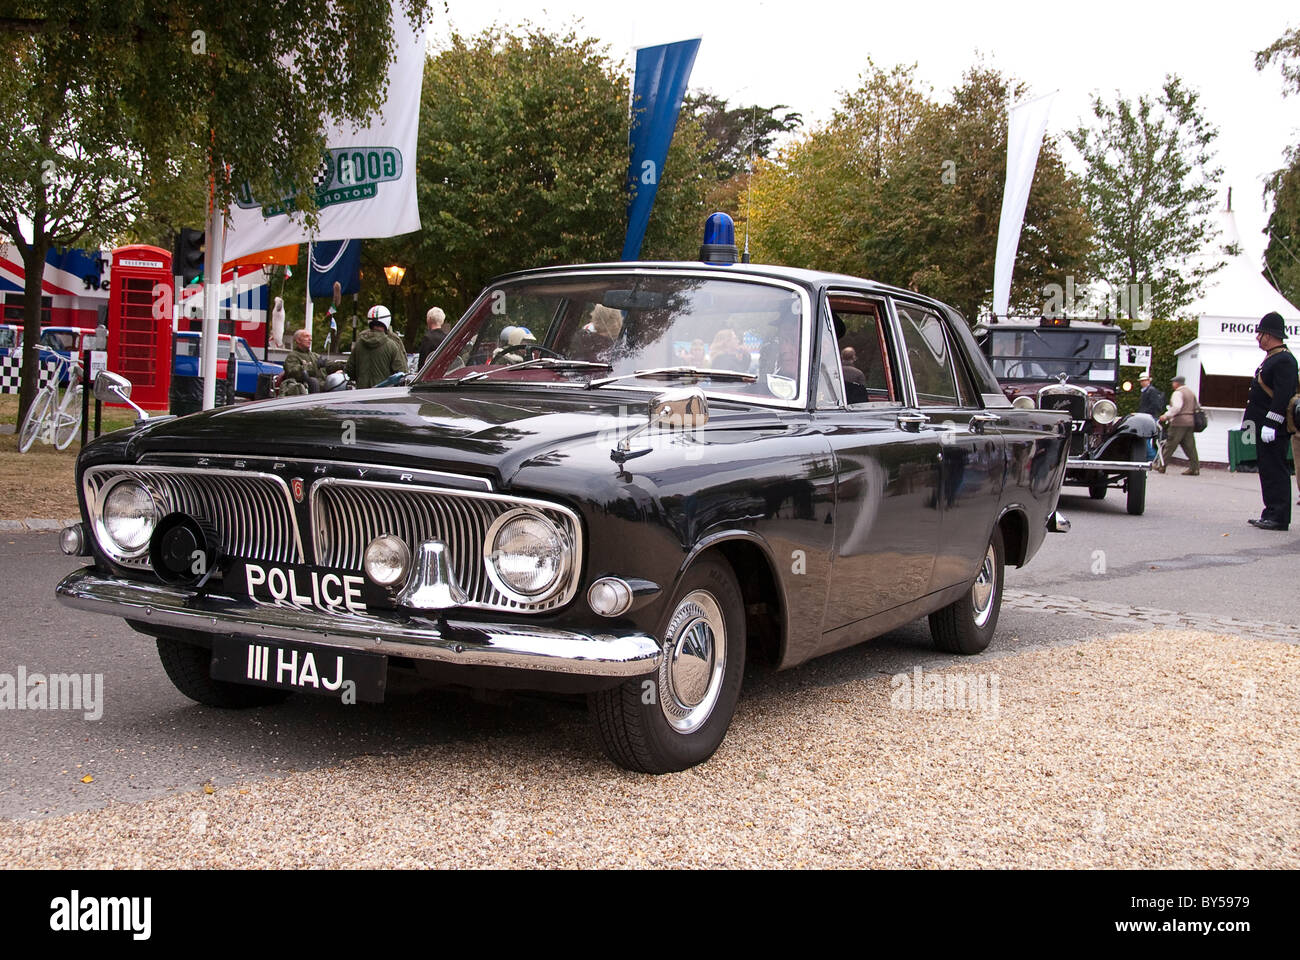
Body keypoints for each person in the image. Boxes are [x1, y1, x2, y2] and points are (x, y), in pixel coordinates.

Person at [1243, 311, 1298, 530]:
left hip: (1272, 427)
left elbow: (1283, 395)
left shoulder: (1284, 360)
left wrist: (1272, 423)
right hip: (1263, 424)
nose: (1258, 337)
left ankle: (1279, 516)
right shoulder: (1273, 358)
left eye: (1260, 333)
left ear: (1269, 335)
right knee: (1267, 469)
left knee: (1276, 469)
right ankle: (1271, 511)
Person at [346, 305, 408, 388]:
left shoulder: (359, 344)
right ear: (387, 320)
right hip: (382, 396)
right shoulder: (391, 345)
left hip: (361, 394)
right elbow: (402, 373)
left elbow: (349, 370)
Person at [1156, 375, 1200, 475]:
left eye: (1173, 382)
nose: (1172, 384)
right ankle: (1195, 468)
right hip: (1190, 422)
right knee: (1190, 446)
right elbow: (1196, 406)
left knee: (1170, 444)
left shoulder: (1178, 393)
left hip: (1178, 422)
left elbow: (1176, 407)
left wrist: (1166, 416)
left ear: (1177, 383)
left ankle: (1161, 466)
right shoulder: (1190, 392)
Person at [279, 328, 342, 396]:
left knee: (340, 381)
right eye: (306, 336)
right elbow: (292, 372)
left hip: (325, 385)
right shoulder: (293, 356)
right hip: (308, 388)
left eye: (310, 337)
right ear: (298, 340)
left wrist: (343, 365)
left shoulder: (315, 356)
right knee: (313, 381)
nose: (310, 339)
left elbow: (329, 365)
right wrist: (314, 365)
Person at [1136, 372, 1165, 459]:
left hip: (1150, 417)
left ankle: (1152, 457)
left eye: (1144, 380)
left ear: (1148, 381)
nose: (1142, 382)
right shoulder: (1148, 391)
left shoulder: (1151, 391)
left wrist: (1144, 413)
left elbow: (1155, 405)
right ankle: (1151, 456)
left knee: (1146, 438)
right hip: (1148, 417)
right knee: (1146, 439)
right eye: (1141, 381)